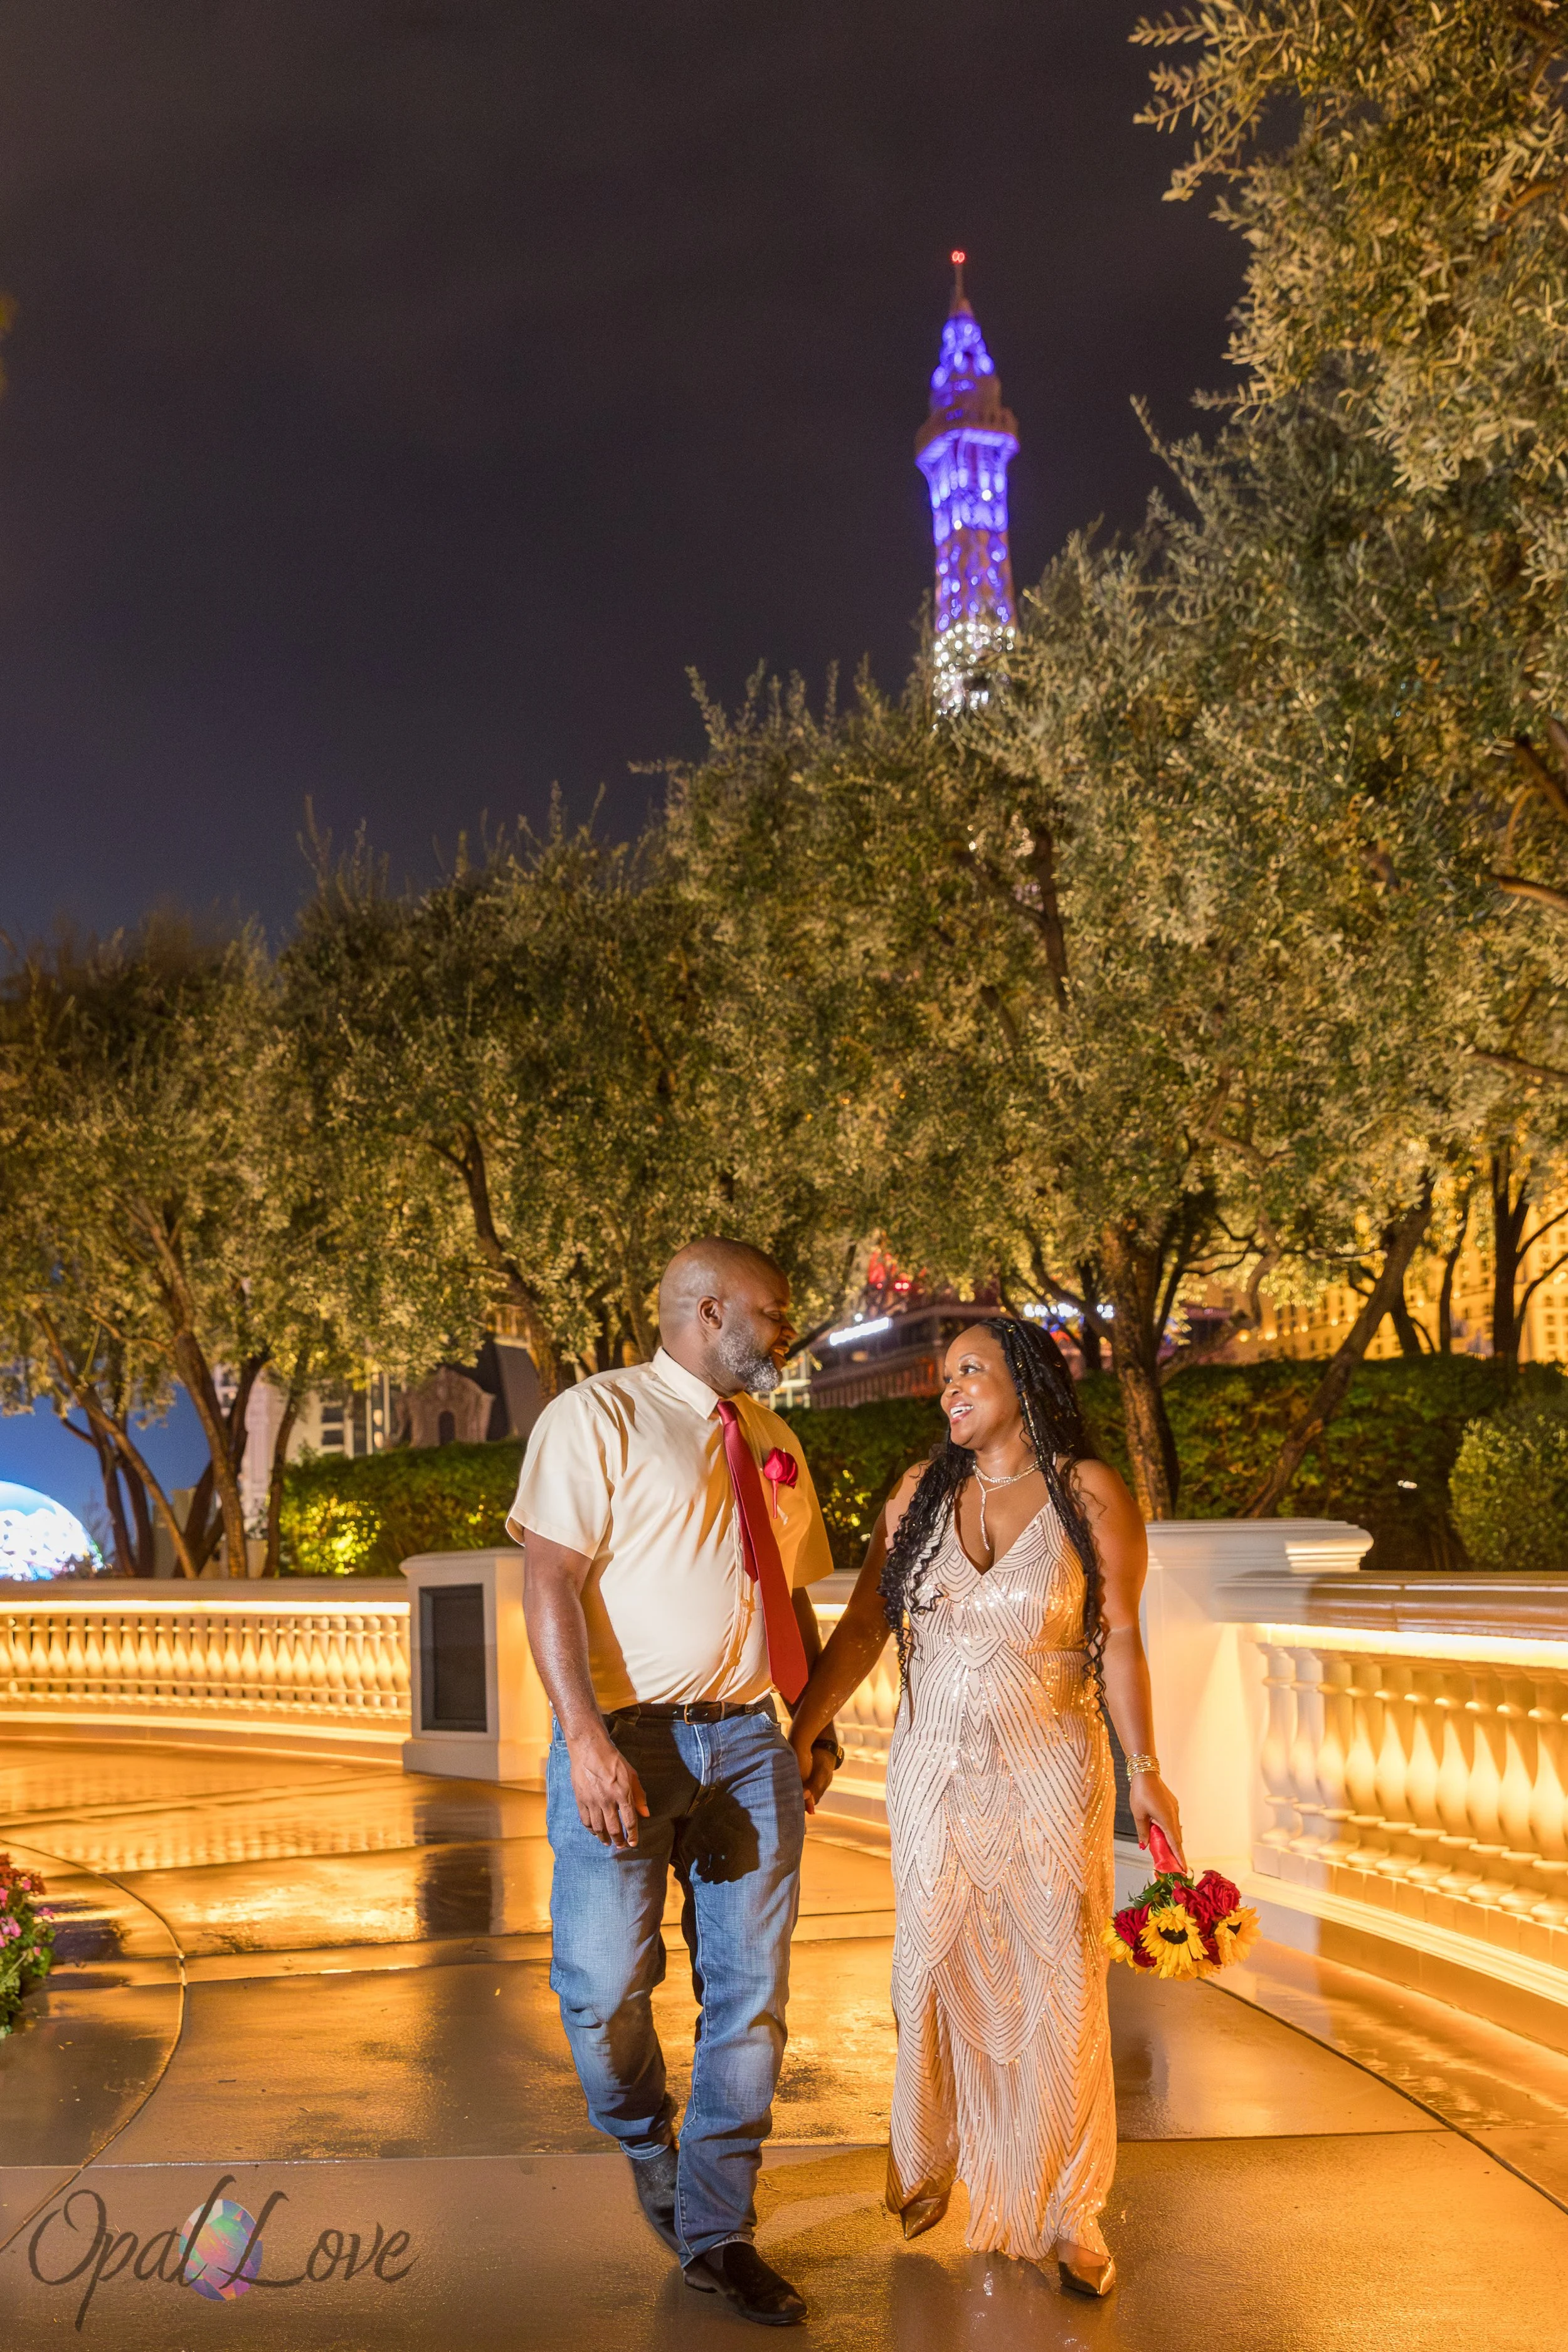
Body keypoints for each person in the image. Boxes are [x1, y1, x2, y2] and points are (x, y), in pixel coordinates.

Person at [787, 1315, 1184, 2300]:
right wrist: (802, 1726)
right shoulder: (921, 1496)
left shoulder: (1088, 1493)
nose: (950, 1388)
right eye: (944, 1375)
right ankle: (929, 2148)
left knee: (1058, 1982)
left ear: (1030, 1379)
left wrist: (1149, 1770)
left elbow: (1123, 1636)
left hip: (1049, 1764)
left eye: (974, 1369)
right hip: (932, 1773)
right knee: (927, 1961)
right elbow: (866, 1624)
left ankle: (1067, 2209)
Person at [509, 1238, 841, 2329]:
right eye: (774, 1309)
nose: (789, 1326)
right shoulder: (594, 1416)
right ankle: (650, 2137)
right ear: (709, 1308)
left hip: (751, 1742)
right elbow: (548, 1576)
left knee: (750, 1997)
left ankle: (718, 2230)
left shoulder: (773, 1438)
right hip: (627, 1745)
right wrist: (584, 1735)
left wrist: (815, 1717)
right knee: (604, 1990)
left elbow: (789, 1594)